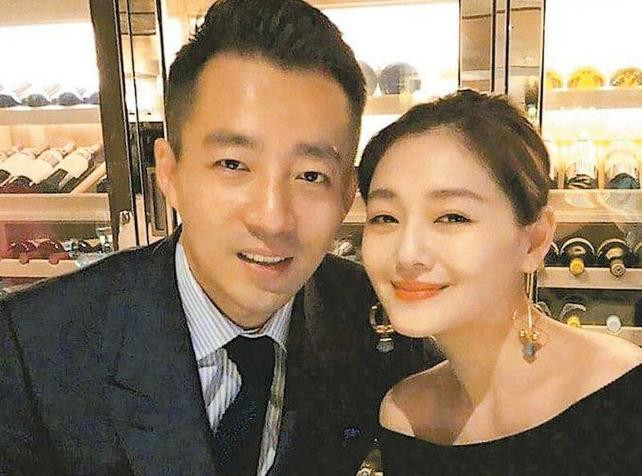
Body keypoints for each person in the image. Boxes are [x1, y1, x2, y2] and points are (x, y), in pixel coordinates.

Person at [0, 1, 425, 474]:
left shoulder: (378, 323)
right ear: (169, 172)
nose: (272, 219)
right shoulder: (35, 349)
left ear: (346, 195)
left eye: (310, 175)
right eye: (233, 164)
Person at [357, 89, 642, 475]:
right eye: (385, 218)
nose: (407, 255)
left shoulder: (624, 395)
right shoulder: (406, 415)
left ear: (535, 240)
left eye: (452, 217)